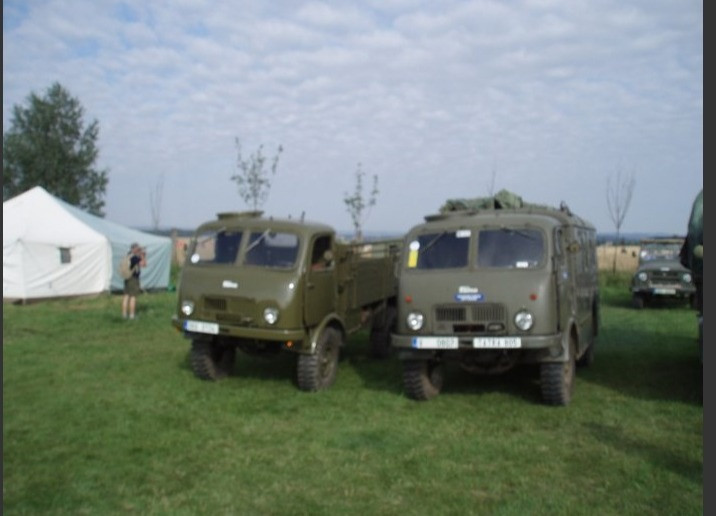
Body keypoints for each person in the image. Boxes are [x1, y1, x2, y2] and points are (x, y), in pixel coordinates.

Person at [122, 243, 147, 320]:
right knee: (133, 297)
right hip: (133, 279)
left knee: (126, 296)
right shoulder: (135, 258)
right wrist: (143, 256)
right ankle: (132, 315)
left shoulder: (128, 255)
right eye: (138, 249)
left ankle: (124, 315)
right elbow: (144, 264)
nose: (139, 250)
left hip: (127, 277)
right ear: (135, 249)